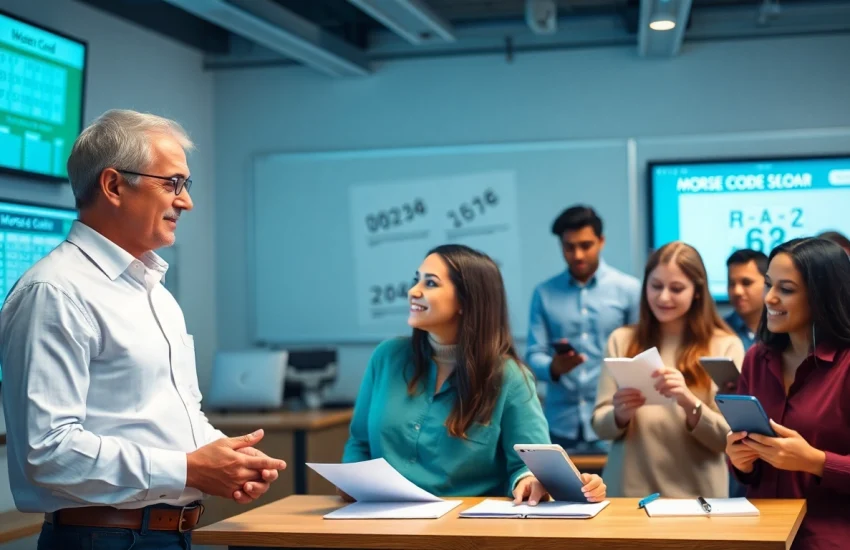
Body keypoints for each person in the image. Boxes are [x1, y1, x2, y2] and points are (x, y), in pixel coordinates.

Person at [0, 110, 287, 550]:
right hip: (102, 538)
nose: (186, 202)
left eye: (185, 185)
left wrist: (227, 459)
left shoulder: (155, 292)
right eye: (172, 183)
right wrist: (189, 469)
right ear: (114, 186)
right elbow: (49, 452)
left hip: (167, 534)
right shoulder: (54, 292)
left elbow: (168, 416)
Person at [343, 244, 607, 504]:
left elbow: (529, 465)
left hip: (466, 524)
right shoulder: (387, 357)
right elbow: (359, 443)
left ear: (465, 300)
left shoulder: (510, 377)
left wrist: (528, 481)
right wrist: (351, 480)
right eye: (416, 280)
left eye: (430, 283)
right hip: (380, 517)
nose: (413, 291)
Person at [592, 241, 745, 498]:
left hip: (698, 501)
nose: (663, 297)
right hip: (629, 497)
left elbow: (729, 440)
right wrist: (619, 415)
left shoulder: (725, 345)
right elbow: (599, 425)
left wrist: (689, 402)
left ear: (697, 292)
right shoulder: (622, 340)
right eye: (656, 286)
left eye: (676, 289)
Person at [726, 237, 850, 550]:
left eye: (786, 289)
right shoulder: (756, 358)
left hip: (828, 540)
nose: (769, 298)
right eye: (769, 284)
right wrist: (740, 461)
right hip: (760, 536)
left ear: (822, 296)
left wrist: (816, 461)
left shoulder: (846, 365)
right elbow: (747, 471)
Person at [526, 205, 640, 455]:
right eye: (569, 247)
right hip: (559, 424)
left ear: (601, 241)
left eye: (586, 245)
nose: (577, 255)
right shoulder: (544, 293)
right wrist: (553, 367)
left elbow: (639, 356)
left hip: (613, 420)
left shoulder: (630, 290)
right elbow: (533, 355)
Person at [725, 249, 768, 351]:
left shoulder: (785, 331)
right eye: (731, 284)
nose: (737, 291)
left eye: (746, 283)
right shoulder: (719, 331)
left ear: (768, 283)